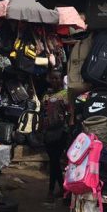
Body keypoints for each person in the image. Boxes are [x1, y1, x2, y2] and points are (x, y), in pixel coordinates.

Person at [40, 69, 69, 204]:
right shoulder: (45, 94)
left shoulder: (66, 94)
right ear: (49, 79)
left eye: (57, 78)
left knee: (55, 161)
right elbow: (42, 113)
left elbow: (70, 111)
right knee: (54, 161)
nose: (55, 81)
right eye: (52, 78)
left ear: (61, 79)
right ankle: (63, 188)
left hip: (61, 131)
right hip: (47, 133)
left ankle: (51, 190)